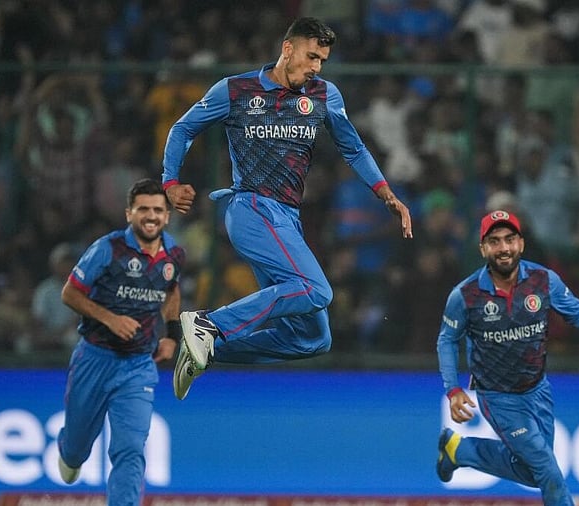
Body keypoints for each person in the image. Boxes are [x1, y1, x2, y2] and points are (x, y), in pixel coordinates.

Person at [161, 17, 413, 399]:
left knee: (313, 338)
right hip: (250, 209)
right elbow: (183, 129)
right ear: (288, 49)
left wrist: (386, 194)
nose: (316, 67)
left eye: (323, 60)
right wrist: (170, 182)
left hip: (287, 222)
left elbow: (353, 147)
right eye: (312, 56)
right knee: (316, 290)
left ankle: (208, 351)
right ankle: (208, 325)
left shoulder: (325, 95)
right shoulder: (236, 89)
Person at [434, 210, 579, 506]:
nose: (503, 248)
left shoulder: (544, 281)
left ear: (521, 244)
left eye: (509, 240)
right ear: (483, 249)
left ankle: (459, 451)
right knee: (548, 471)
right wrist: (452, 390)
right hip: (498, 396)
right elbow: (447, 340)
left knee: (533, 473)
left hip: (538, 390)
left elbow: (578, 313)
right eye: (494, 241)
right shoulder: (465, 295)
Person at [56, 179, 184, 506]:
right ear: (130, 213)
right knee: (76, 450)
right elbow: (69, 293)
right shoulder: (107, 249)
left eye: (158, 210)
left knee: (130, 449)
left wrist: (171, 336)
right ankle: (70, 452)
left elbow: (172, 292)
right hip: (95, 359)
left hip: (138, 366)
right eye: (143, 209)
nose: (151, 216)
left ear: (167, 216)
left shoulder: (174, 255)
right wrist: (110, 318)